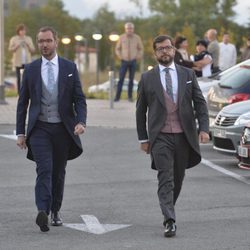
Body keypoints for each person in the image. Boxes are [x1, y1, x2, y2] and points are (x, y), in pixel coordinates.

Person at [136, 35, 209, 238]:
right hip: (160, 137)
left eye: (168, 48)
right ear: (155, 53)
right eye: (160, 49)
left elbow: (200, 103)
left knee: (178, 177)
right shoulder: (147, 78)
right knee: (165, 177)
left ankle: (169, 207)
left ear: (173, 50)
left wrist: (204, 128)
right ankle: (169, 219)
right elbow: (140, 110)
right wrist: (143, 138)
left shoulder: (187, 74)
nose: (165, 52)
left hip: (184, 135)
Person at [16, 26, 87, 232]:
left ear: (56, 42)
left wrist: (81, 122)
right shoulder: (30, 69)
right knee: (44, 169)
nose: (44, 45)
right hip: (39, 128)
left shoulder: (69, 67)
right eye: (40, 41)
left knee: (58, 172)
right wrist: (21, 133)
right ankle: (43, 211)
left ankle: (55, 210)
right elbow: (23, 104)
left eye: (47, 41)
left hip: (63, 129)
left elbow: (79, 99)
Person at [114, 22, 144, 102]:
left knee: (131, 79)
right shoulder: (121, 37)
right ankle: (117, 97)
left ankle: (130, 97)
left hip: (133, 61)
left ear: (133, 29)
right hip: (124, 61)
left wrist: (137, 56)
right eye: (128, 28)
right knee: (121, 79)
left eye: (131, 28)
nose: (129, 30)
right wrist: (120, 56)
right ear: (125, 29)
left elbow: (141, 49)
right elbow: (117, 49)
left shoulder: (137, 38)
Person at [8, 24, 35, 94]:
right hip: (17, 61)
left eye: (24, 30)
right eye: (21, 30)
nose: (23, 32)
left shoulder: (28, 38)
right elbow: (10, 50)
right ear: (18, 31)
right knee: (18, 77)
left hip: (27, 61)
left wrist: (28, 45)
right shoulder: (14, 39)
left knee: (27, 77)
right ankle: (19, 93)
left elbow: (33, 50)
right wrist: (17, 45)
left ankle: (27, 92)